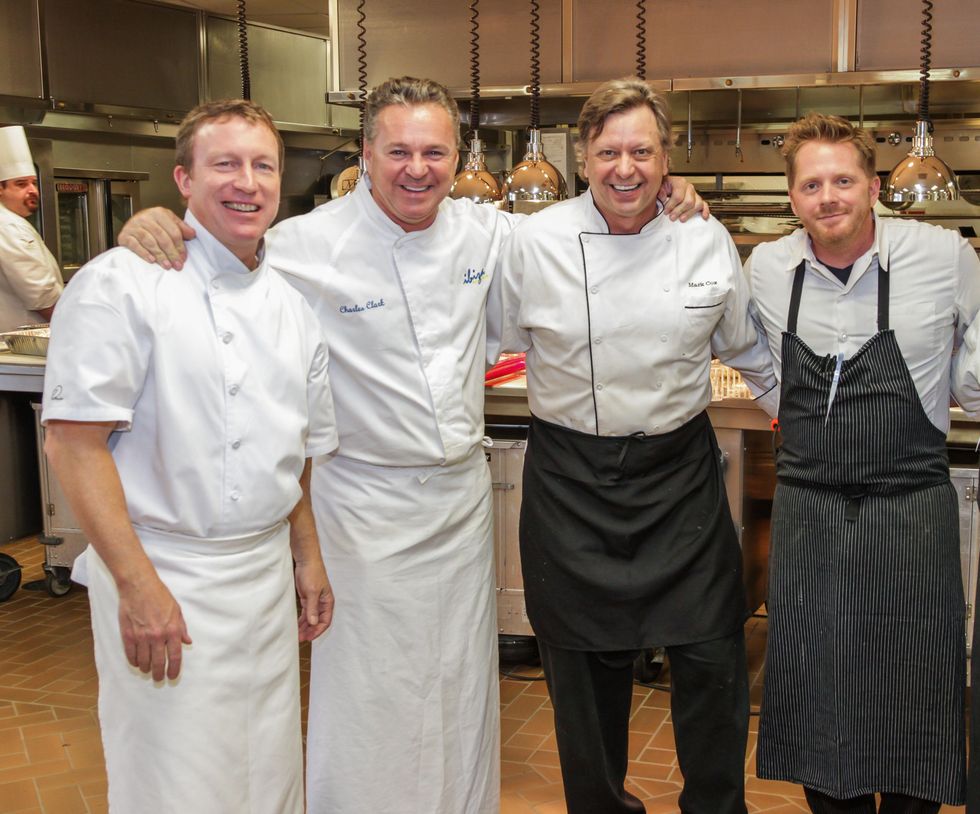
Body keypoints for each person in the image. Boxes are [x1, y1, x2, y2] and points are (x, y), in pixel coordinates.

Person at [117, 75, 705, 814]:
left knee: (461, 692)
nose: (417, 169)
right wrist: (152, 223)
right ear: (364, 154)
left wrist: (672, 195)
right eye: (398, 151)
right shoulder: (300, 245)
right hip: (362, 508)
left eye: (435, 152)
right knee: (370, 698)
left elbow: (595, 224)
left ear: (458, 158)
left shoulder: (489, 232)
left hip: (460, 506)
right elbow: (211, 248)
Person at [41, 99, 338, 814]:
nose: (247, 183)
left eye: (263, 165)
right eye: (225, 164)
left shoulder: (292, 308)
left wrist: (307, 555)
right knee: (175, 785)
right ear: (184, 178)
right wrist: (137, 585)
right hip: (165, 574)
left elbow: (292, 451)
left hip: (261, 579)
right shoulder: (121, 283)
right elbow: (72, 443)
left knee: (267, 778)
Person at [490, 76, 777, 814]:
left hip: (677, 475)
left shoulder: (703, 237)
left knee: (712, 657)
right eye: (609, 152)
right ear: (583, 158)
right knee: (583, 679)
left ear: (666, 158)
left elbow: (748, 349)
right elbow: (482, 341)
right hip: (572, 481)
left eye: (642, 152)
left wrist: (813, 424)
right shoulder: (534, 242)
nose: (626, 169)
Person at [745, 112, 980, 813]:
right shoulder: (768, 269)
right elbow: (751, 355)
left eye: (843, 181)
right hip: (810, 507)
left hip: (910, 508)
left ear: (873, 186)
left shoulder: (943, 257)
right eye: (811, 185)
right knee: (819, 688)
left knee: (915, 688)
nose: (829, 198)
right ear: (793, 197)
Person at [0, 125, 63, 331]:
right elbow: (42, 296)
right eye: (21, 184)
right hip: (22, 342)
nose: (32, 190)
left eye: (33, 183)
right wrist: (77, 325)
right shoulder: (8, 226)